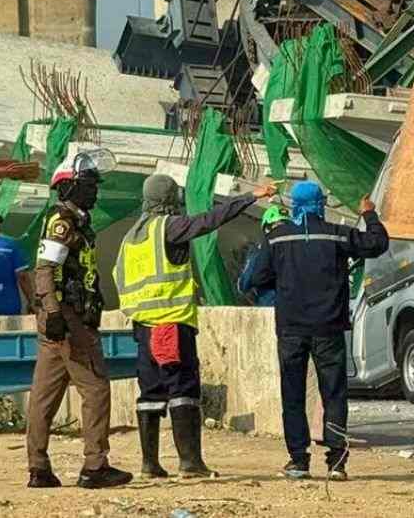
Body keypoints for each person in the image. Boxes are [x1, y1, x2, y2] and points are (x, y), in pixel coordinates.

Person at [114, 175, 277, 479]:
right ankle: (190, 462)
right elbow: (208, 221)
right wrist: (249, 197)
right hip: (171, 323)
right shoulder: (168, 227)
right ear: (169, 200)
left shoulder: (131, 237)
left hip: (143, 327)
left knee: (150, 393)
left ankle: (149, 465)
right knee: (183, 389)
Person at [246, 182, 390, 481]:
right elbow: (376, 244)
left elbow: (257, 277)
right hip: (329, 328)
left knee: (293, 395)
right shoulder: (337, 234)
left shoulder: (278, 238)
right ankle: (337, 463)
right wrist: (369, 214)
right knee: (334, 395)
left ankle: (298, 461)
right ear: (321, 204)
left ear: (295, 205)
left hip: (291, 329)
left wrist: (285, 285)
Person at [26, 151, 133, 490]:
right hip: (68, 318)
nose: (95, 191)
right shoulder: (63, 221)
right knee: (96, 388)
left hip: (60, 317)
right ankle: (95, 466)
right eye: (88, 185)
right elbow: (45, 268)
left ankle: (39, 468)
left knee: (45, 395)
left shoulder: (77, 221)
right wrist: (55, 312)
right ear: (68, 187)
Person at [237, 206, 285, 307]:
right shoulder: (301, 249)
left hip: (270, 306)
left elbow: (243, 285)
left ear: (267, 229)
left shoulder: (260, 250)